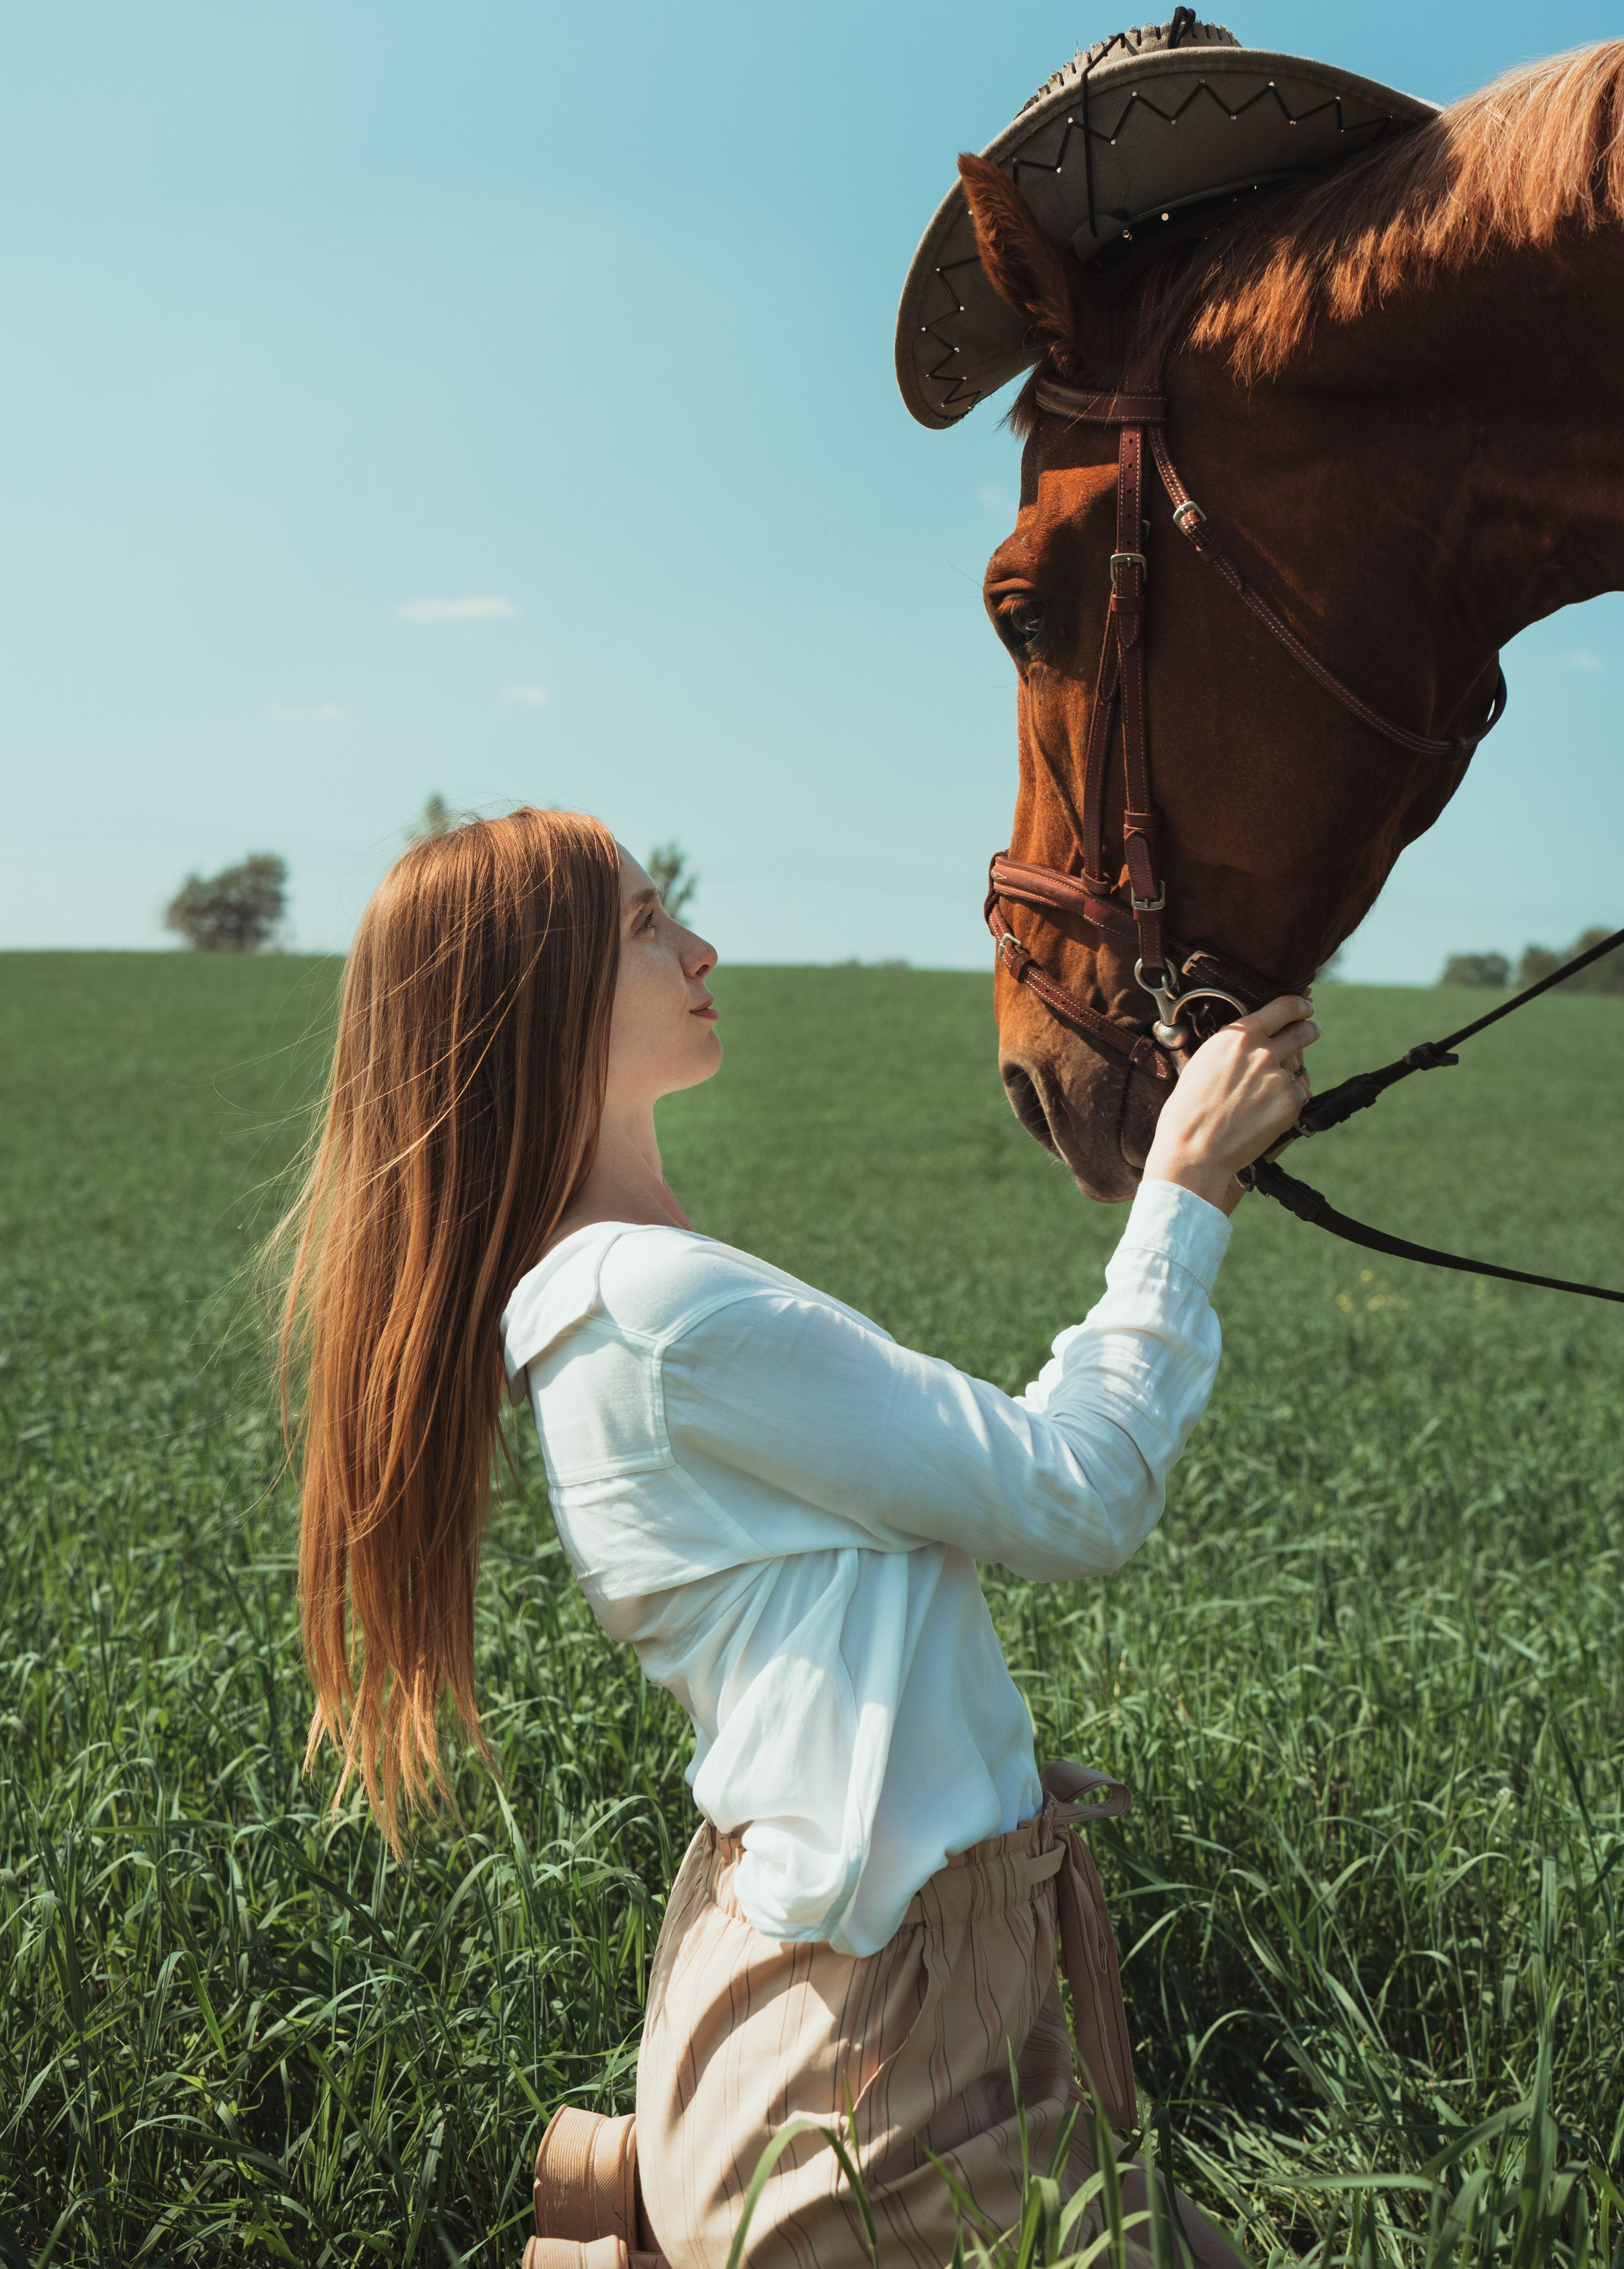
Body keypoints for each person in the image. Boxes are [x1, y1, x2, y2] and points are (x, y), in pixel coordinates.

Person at [280, 808, 1318, 2269]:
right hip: (874, 2077)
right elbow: (1073, 1489)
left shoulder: (623, 1296)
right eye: (647, 924)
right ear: (536, 990)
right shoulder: (653, 1311)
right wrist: (1183, 1193)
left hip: (866, 2029)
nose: (699, 948)